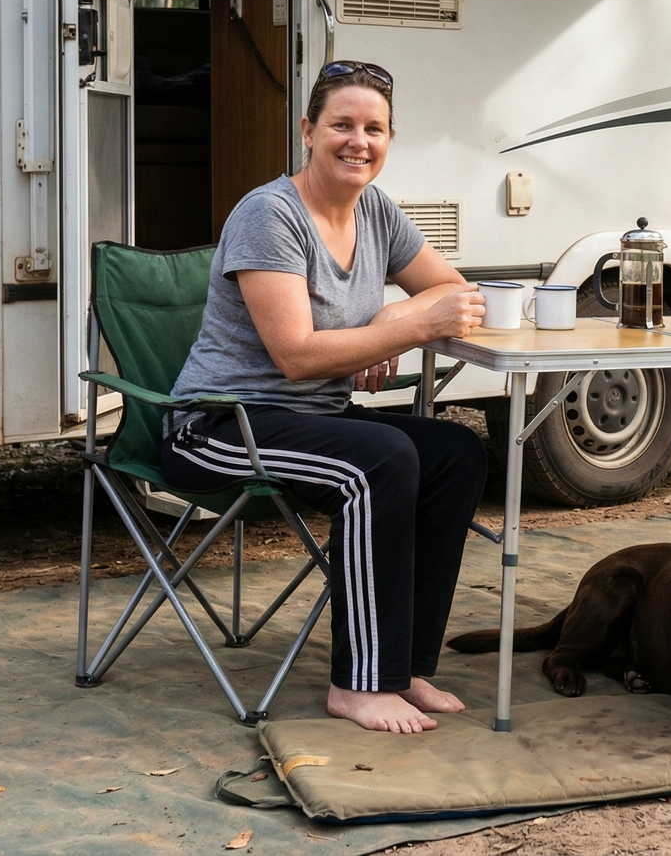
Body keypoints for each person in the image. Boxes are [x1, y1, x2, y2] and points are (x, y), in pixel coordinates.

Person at [161, 61, 488, 734]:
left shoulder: (376, 211)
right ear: (308, 131)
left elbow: (452, 292)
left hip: (310, 422)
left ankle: (404, 664)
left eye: (374, 128)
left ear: (390, 139)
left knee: (457, 451)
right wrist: (409, 325)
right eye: (342, 124)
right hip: (219, 428)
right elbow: (297, 354)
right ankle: (360, 684)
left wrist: (384, 326)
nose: (357, 140)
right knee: (383, 459)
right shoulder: (269, 215)